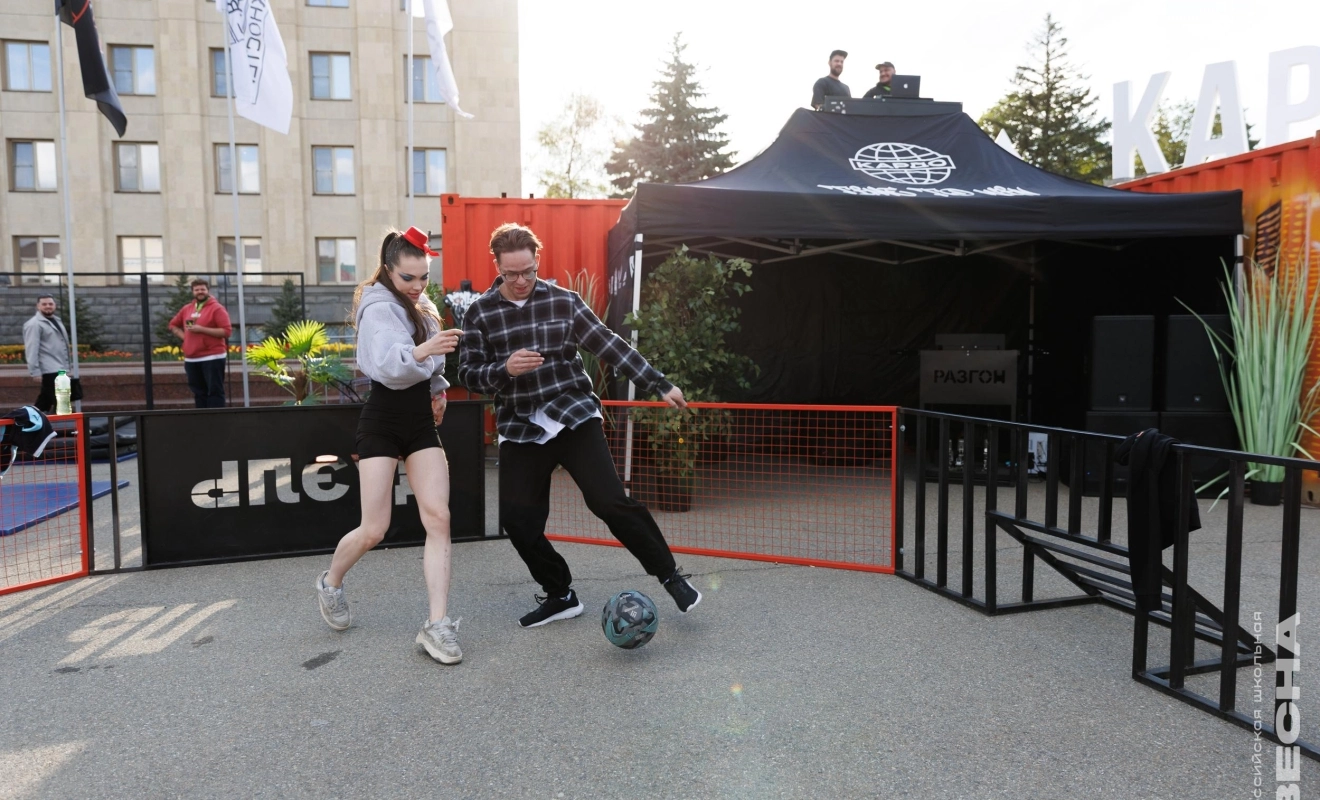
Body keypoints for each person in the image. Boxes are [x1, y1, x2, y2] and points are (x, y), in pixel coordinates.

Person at [458, 223, 703, 629]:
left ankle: (670, 576)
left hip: (573, 414)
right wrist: (504, 369)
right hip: (520, 425)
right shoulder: (480, 313)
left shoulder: (563, 301)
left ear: (537, 261)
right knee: (518, 521)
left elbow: (610, 344)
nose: (521, 281)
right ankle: (560, 594)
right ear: (496, 265)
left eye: (528, 271)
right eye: (511, 274)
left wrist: (658, 383)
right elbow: (467, 374)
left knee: (609, 501)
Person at [315, 226, 466, 665]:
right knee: (374, 529)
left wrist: (438, 389)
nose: (417, 286)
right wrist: (425, 351)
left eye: (424, 278)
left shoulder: (423, 306)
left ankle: (437, 625)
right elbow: (388, 367)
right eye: (408, 278)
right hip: (382, 420)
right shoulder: (378, 307)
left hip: (420, 422)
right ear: (388, 270)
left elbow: (432, 367)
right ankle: (330, 583)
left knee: (439, 518)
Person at [168, 278, 232, 408]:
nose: (200, 292)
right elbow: (173, 325)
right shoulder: (187, 308)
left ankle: (218, 418)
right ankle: (202, 418)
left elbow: (226, 331)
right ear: (193, 292)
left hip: (212, 356)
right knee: (198, 392)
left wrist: (202, 329)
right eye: (197, 290)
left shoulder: (217, 308)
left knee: (215, 391)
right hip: (191, 358)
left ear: (208, 290)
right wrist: (185, 337)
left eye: (203, 289)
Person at [22, 294, 81, 413]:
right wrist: (35, 371)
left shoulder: (56, 321)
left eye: (50, 304)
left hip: (59, 367)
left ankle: (30, 420)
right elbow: (32, 348)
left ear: (55, 305)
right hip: (48, 369)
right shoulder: (34, 324)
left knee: (46, 400)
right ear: (38, 306)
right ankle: (53, 422)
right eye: (44, 304)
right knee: (58, 401)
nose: (48, 306)